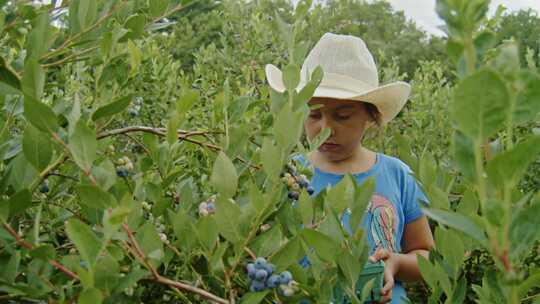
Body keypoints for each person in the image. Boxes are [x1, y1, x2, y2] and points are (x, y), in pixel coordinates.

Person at [265, 33, 435, 303]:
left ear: (370, 116)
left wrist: (398, 264)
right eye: (314, 114)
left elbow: (425, 254)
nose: (326, 128)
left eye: (342, 116)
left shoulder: (397, 175)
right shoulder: (288, 175)